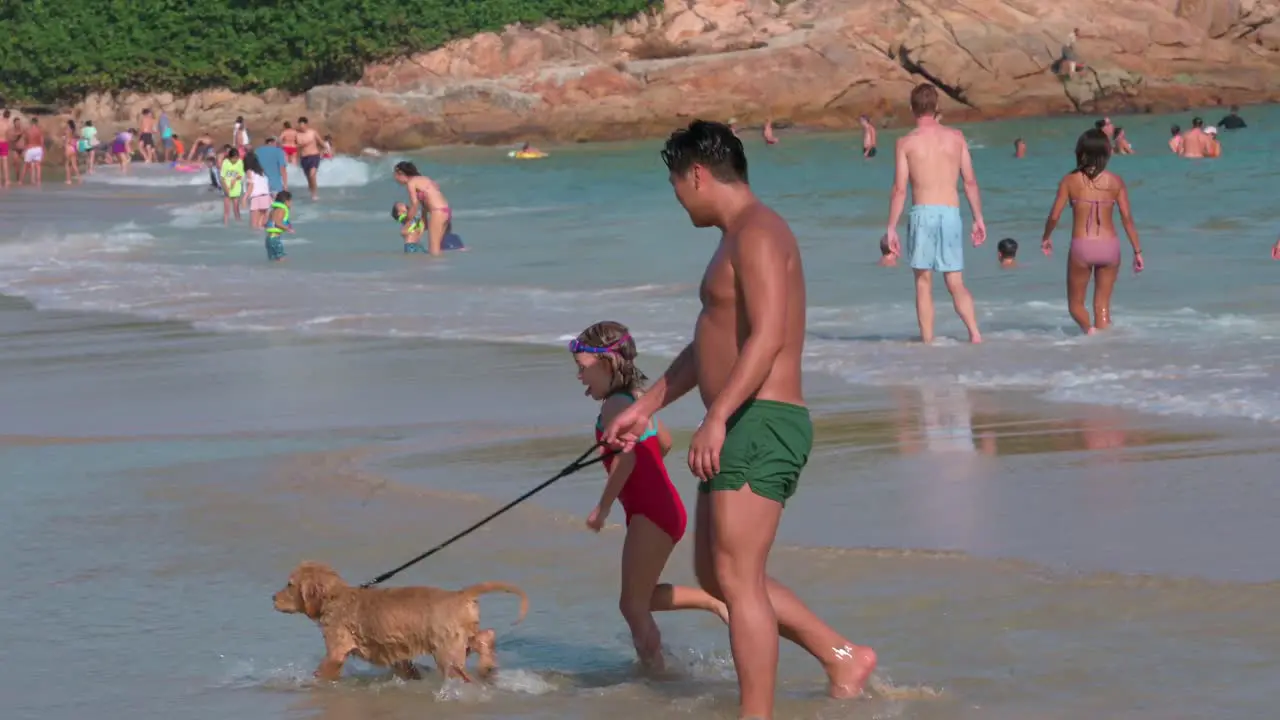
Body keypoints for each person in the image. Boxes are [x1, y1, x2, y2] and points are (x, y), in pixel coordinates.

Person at [603, 120, 877, 720]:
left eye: (676, 183)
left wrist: (719, 416)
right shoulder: (731, 239)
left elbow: (772, 335)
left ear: (697, 174)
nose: (677, 197)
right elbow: (711, 345)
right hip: (742, 419)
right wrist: (647, 407)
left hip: (762, 417)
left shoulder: (758, 231)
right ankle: (842, 656)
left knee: (739, 576)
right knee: (719, 573)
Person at [570, 321, 729, 670]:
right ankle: (712, 602)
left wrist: (602, 507)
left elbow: (626, 461)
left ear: (608, 363)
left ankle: (657, 675)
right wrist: (645, 469)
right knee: (640, 597)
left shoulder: (615, 406)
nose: (580, 378)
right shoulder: (637, 400)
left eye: (583, 370)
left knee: (632, 605)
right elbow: (666, 441)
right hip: (661, 507)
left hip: (650, 511)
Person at [885, 83, 986, 344]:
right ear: (937, 107)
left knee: (923, 282)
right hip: (951, 213)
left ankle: (928, 343)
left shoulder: (906, 143)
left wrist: (891, 227)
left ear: (912, 109)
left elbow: (899, 189)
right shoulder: (956, 138)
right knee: (955, 281)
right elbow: (970, 182)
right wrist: (978, 218)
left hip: (922, 214)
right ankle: (975, 334)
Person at [1040, 129, 1143, 334]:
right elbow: (1127, 219)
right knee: (1102, 306)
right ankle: (1104, 345)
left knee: (1075, 305)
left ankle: (1089, 333)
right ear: (1108, 152)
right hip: (1110, 246)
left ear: (1080, 151)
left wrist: (1046, 237)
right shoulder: (1116, 181)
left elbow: (1054, 215)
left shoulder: (1070, 180)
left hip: (1083, 246)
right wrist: (1137, 251)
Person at [393, 161, 453, 256]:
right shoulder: (424, 179)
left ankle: (435, 269)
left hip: (437, 212)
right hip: (446, 211)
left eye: (395, 175)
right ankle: (441, 269)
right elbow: (425, 207)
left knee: (434, 251)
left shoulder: (411, 183)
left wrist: (408, 220)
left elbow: (414, 204)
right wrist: (422, 221)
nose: (395, 179)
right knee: (438, 248)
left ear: (401, 173)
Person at [295, 117, 323, 200]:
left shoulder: (313, 133)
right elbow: (295, 146)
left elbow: (320, 142)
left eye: (303, 125)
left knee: (312, 175)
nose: (301, 127)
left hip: (314, 156)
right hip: (304, 157)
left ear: (306, 125)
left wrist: (327, 150)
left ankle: (314, 194)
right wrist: (301, 146)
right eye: (300, 125)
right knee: (308, 178)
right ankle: (312, 192)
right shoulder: (297, 135)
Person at [243, 151, 272, 229]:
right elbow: (267, 186)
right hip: (266, 197)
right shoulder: (262, 173)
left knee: (254, 226)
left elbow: (251, 186)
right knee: (262, 225)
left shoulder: (249, 171)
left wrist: (244, 198)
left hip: (256, 198)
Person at [264, 190, 293, 262]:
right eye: (290, 201)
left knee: (273, 260)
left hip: (269, 238)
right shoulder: (281, 210)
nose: (291, 203)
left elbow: (265, 222)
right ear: (286, 201)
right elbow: (277, 223)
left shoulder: (274, 210)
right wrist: (288, 229)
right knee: (281, 259)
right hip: (275, 239)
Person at [220, 148, 245, 225]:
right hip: (226, 188)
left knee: (236, 208)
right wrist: (226, 188)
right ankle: (225, 224)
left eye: (237, 158)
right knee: (226, 210)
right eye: (233, 158)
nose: (235, 160)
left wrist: (235, 179)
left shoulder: (240, 162)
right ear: (229, 157)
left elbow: (241, 175)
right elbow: (222, 178)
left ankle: (239, 223)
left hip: (236, 188)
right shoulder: (225, 162)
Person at [20, 117, 45, 186]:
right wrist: (43, 151)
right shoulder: (40, 130)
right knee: (38, 166)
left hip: (30, 148)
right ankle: (39, 181)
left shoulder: (28, 131)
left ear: (31, 123)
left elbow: (26, 141)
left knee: (26, 166)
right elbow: (42, 142)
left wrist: (24, 149)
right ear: (37, 123)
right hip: (38, 149)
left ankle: (21, 181)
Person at [62, 119, 82, 185]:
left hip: (68, 148)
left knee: (67, 165)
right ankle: (79, 179)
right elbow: (78, 138)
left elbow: (65, 139)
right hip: (73, 148)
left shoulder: (67, 130)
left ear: (68, 124)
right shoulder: (74, 131)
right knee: (74, 165)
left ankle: (68, 180)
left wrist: (64, 138)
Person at [0, 110, 10, 188]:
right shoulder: (8, 124)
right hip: (4, 143)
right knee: (5, 162)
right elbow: (8, 135)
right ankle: (6, 180)